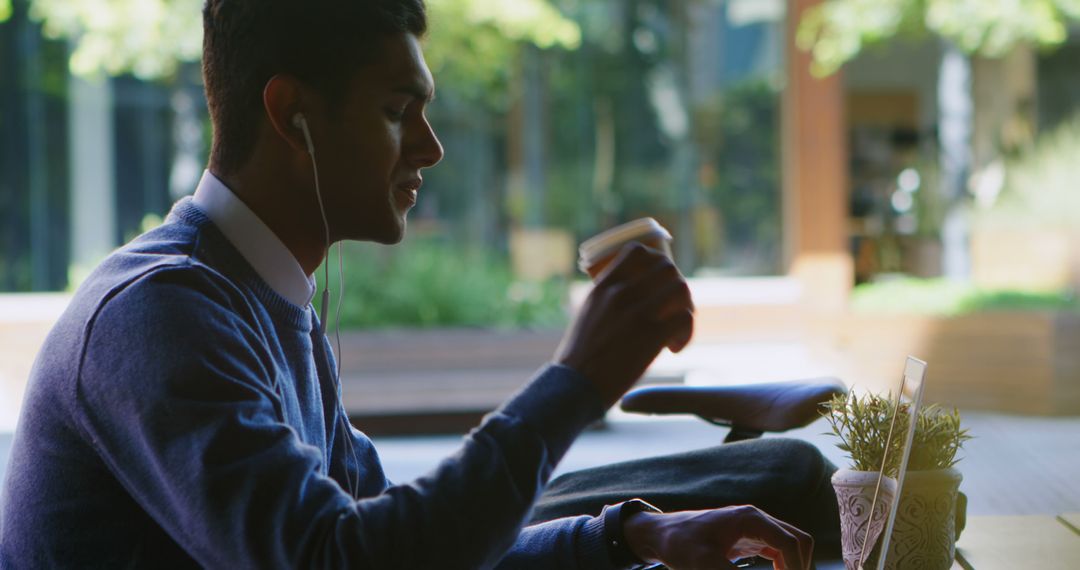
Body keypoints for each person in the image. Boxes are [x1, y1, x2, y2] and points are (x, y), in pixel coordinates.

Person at [0, 1, 836, 568]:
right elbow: (342, 562)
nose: (431, 147)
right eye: (401, 108)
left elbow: (405, 542)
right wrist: (576, 381)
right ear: (293, 116)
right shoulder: (158, 315)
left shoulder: (268, 303)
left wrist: (632, 535)